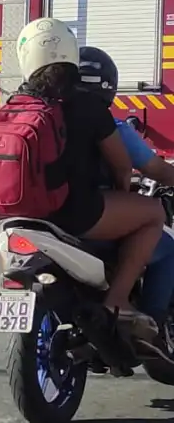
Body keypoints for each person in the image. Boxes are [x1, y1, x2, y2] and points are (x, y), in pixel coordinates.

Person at [16, 18, 165, 337]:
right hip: (74, 212)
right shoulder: (86, 105)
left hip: (21, 213)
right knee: (154, 213)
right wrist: (124, 193)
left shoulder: (17, 102)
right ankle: (118, 301)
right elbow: (123, 166)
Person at [76, 47, 174, 345]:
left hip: (40, 214)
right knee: (166, 244)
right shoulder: (111, 127)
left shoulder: (53, 120)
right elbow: (155, 170)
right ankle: (147, 324)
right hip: (89, 214)